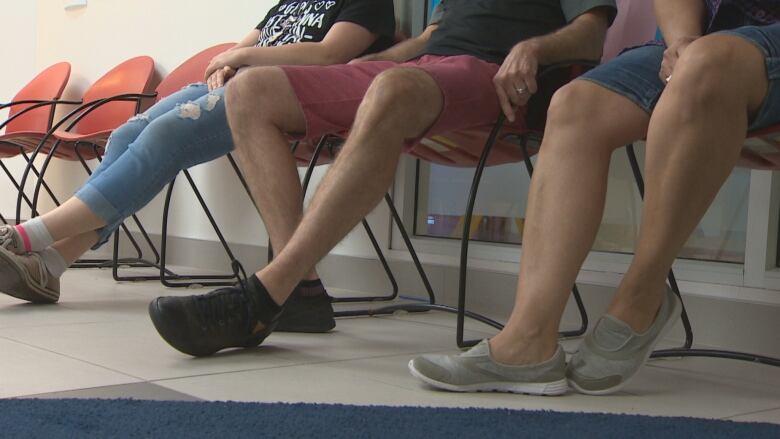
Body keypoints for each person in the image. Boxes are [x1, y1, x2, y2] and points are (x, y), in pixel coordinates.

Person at [148, 0, 617, 378]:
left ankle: (268, 293)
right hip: (426, 68)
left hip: (496, 77)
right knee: (251, 91)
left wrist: (533, 47)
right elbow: (433, 37)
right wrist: (373, 61)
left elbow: (591, 32)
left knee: (392, 88)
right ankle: (303, 294)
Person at [406, 0, 779, 396]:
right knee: (575, 105)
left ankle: (643, 295)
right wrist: (683, 40)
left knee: (707, 62)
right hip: (702, 39)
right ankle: (527, 341)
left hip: (752, 44)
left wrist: (697, 53)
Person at [0, 0, 396, 334]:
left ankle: (28, 235)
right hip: (233, 83)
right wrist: (225, 64)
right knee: (124, 135)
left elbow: (331, 55)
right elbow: (242, 46)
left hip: (276, 93)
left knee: (163, 137)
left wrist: (238, 58)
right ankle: (52, 265)